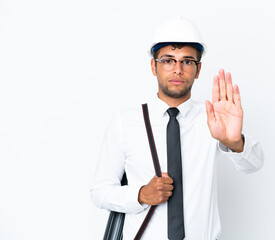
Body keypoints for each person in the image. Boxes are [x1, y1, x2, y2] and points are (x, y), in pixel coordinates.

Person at [90, 16, 264, 240]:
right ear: (154, 66)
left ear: (198, 69)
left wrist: (234, 143)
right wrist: (141, 194)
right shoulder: (125, 122)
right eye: (168, 60)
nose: (178, 69)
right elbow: (99, 192)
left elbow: (255, 164)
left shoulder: (212, 119)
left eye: (187, 61)